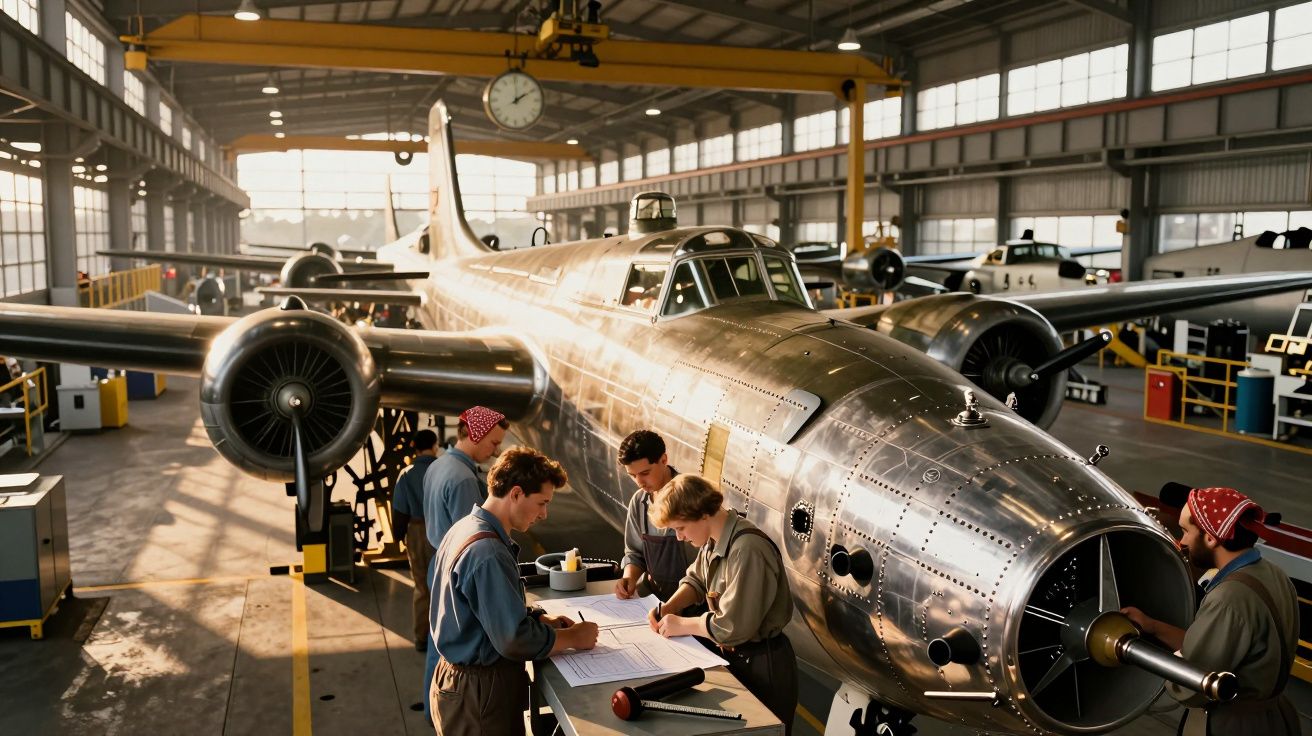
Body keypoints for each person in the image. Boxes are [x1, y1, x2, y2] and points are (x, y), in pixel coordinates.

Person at [429, 446, 599, 735]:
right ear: (517, 493)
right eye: (542, 503)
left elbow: (479, 610)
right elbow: (513, 640)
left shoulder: (467, 527)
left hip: (461, 684)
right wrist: (573, 637)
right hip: (480, 693)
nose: (544, 514)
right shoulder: (488, 551)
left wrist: (534, 618)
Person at [1122, 487, 1300, 736]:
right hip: (1274, 716)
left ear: (1210, 538)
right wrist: (1152, 626)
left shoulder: (1229, 599)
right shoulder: (1271, 573)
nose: (1181, 542)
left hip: (1233, 724)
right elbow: (1223, 645)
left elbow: (1190, 687)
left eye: (1185, 531)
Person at [647, 473, 797, 734]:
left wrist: (682, 624)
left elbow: (733, 627)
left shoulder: (747, 549)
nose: (679, 537)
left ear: (703, 514)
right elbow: (696, 580)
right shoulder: (714, 539)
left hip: (762, 666)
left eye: (680, 528)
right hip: (737, 658)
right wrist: (670, 607)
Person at [420, 406, 508, 716]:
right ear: (474, 434)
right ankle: (447, 708)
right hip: (457, 567)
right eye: (494, 443)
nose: (496, 451)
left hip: (438, 559)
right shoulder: (463, 480)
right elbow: (472, 541)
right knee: (457, 646)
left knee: (439, 641)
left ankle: (435, 705)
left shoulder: (439, 465)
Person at [613, 430, 697, 603]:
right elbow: (635, 553)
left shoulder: (692, 498)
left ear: (664, 460)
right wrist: (628, 577)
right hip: (654, 600)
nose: (639, 482)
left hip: (692, 604)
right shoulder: (639, 501)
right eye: (632, 475)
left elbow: (706, 569)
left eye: (645, 473)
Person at [390, 429, 440, 651]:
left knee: (421, 586)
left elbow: (400, 511)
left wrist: (399, 536)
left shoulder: (407, 474)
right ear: (435, 445)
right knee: (443, 586)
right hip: (442, 530)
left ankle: (421, 637)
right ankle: (443, 634)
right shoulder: (442, 470)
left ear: (416, 449)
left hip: (418, 532)